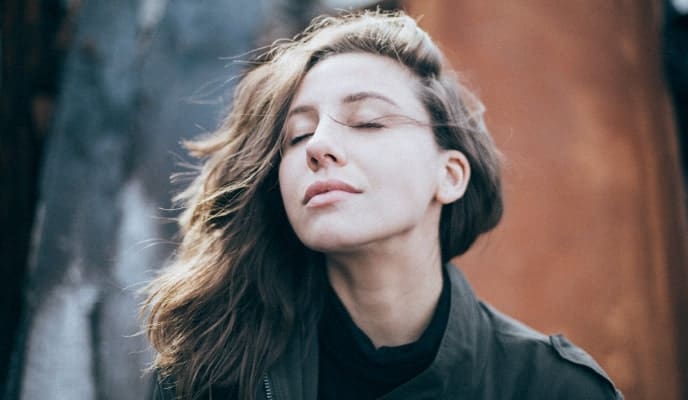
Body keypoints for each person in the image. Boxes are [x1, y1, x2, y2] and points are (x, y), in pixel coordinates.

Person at [143, 9, 623, 400]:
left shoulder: (552, 388)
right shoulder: (205, 376)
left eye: (369, 121)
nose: (318, 146)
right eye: (298, 135)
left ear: (449, 175)